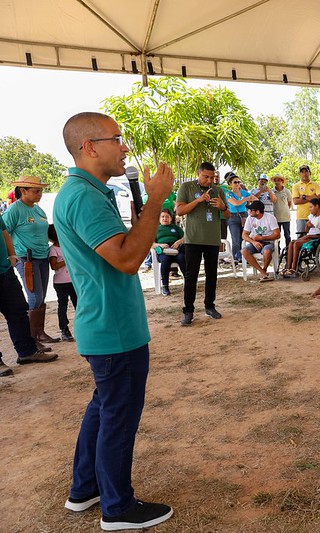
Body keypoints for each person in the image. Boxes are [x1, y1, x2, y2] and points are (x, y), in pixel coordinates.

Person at [55, 111, 174, 529]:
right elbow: (126, 258)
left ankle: (84, 488)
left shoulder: (85, 191)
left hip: (104, 325)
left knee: (104, 409)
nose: (124, 147)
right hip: (113, 330)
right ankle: (118, 508)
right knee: (118, 416)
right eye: (116, 138)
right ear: (88, 147)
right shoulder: (84, 196)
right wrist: (157, 198)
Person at [3, 176, 60, 347]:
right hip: (26, 258)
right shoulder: (14, 210)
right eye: (36, 191)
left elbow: (46, 232)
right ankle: (31, 338)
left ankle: (39, 333)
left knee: (41, 296)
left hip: (42, 257)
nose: (40, 194)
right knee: (34, 296)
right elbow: (4, 233)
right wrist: (11, 256)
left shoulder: (38, 210)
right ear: (23, 191)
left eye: (41, 190)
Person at [0, 213, 58, 377]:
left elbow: (4, 233)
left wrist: (12, 255)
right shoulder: (14, 210)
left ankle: (27, 351)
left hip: (5, 270)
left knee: (18, 311)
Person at [175, 162, 230, 326]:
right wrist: (198, 201)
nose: (209, 180)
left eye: (212, 177)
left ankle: (209, 306)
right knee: (191, 276)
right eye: (206, 177)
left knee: (212, 275)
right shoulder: (187, 187)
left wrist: (223, 206)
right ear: (198, 173)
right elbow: (179, 211)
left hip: (212, 239)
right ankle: (188, 311)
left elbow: (227, 215)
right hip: (193, 239)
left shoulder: (218, 190)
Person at [47, 224, 78, 341]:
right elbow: (54, 266)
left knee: (78, 305)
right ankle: (64, 330)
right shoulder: (53, 250)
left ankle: (81, 327)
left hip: (72, 280)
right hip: (61, 283)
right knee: (63, 306)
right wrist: (66, 260)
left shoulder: (68, 247)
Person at [284, 198, 320, 276]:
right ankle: (288, 267)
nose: (309, 209)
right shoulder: (311, 216)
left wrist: (311, 232)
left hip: (317, 238)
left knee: (296, 243)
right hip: (309, 236)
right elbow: (306, 230)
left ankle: (293, 268)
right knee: (291, 243)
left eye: (311, 207)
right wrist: (307, 225)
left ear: (317, 206)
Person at [241, 200, 280, 282]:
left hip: (268, 242)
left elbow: (277, 235)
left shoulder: (270, 217)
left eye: (251, 210)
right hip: (255, 242)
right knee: (244, 251)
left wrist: (262, 238)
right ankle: (262, 272)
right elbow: (244, 235)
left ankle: (264, 270)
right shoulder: (250, 218)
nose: (249, 211)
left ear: (258, 212)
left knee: (267, 251)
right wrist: (254, 242)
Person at [152, 209, 187, 296]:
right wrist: (160, 245)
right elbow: (150, 244)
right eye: (162, 217)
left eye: (167, 217)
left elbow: (186, 237)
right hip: (163, 251)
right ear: (159, 219)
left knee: (182, 257)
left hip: (176, 250)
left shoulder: (176, 228)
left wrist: (178, 242)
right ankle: (165, 286)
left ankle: (188, 283)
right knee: (166, 260)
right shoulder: (155, 229)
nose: (165, 218)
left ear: (171, 218)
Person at [224, 173, 257, 264]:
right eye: (235, 182)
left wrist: (252, 202)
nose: (237, 184)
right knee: (235, 239)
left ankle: (244, 256)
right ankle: (236, 257)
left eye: (239, 182)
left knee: (245, 238)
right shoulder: (229, 194)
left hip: (244, 216)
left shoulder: (244, 192)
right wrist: (246, 199)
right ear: (230, 184)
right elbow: (235, 203)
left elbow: (255, 199)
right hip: (233, 217)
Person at [292, 164, 320, 236]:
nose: (304, 174)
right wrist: (312, 197)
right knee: (300, 237)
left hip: (315, 216)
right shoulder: (296, 186)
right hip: (301, 217)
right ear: (300, 174)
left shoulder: (315, 185)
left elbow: (319, 197)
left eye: (306, 171)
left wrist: (304, 197)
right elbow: (295, 201)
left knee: (314, 237)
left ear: (309, 173)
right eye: (302, 172)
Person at [271, 175, 293, 250]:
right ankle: (277, 251)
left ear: (282, 182)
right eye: (275, 180)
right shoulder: (272, 191)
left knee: (287, 236)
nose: (277, 182)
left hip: (286, 218)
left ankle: (288, 250)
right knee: (277, 236)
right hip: (275, 218)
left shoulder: (287, 191)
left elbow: (289, 203)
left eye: (279, 180)